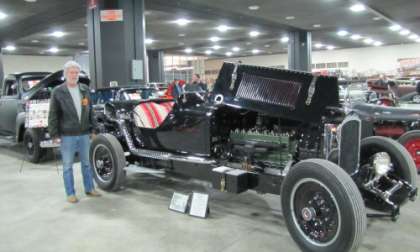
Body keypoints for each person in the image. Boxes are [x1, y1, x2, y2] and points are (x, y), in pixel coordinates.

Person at [48, 60, 101, 203]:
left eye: (77, 72)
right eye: (71, 72)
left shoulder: (84, 89)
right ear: (66, 74)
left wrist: (94, 128)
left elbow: (90, 110)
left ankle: (89, 188)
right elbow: (53, 114)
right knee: (67, 166)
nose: (74, 75)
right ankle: (70, 193)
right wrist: (54, 134)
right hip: (67, 135)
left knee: (86, 164)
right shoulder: (58, 91)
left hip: (84, 133)